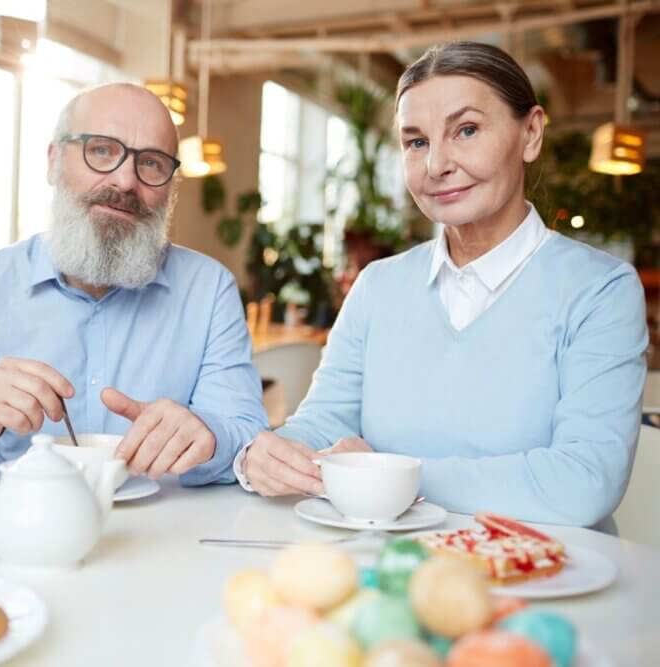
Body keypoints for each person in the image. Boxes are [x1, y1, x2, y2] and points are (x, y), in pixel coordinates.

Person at [237, 41, 647, 527]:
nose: (436, 165)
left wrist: (387, 476)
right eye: (416, 142)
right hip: (382, 569)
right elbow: (325, 424)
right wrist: (264, 457)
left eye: (466, 130)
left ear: (531, 133)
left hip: (541, 578)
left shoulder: (601, 291)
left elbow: (584, 482)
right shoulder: (378, 286)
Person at [0, 83, 267, 485]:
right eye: (102, 150)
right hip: (11, 538)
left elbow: (249, 443)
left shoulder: (209, 290)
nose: (126, 181)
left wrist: (211, 438)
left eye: (152, 163)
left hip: (163, 537)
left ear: (170, 188)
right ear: (54, 160)